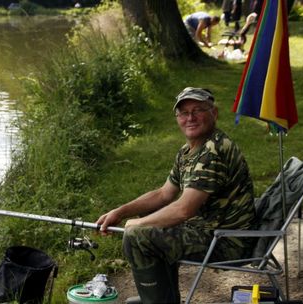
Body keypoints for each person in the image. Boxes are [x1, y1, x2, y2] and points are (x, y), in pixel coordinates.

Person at [96, 87, 256, 303]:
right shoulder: (188, 151)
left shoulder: (212, 152)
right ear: (177, 117)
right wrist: (120, 212)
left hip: (227, 242)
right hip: (208, 231)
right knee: (152, 229)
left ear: (214, 113)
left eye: (198, 110)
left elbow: (183, 210)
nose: (190, 117)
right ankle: (162, 298)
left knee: (137, 237)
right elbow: (164, 194)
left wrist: (138, 223)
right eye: (183, 112)